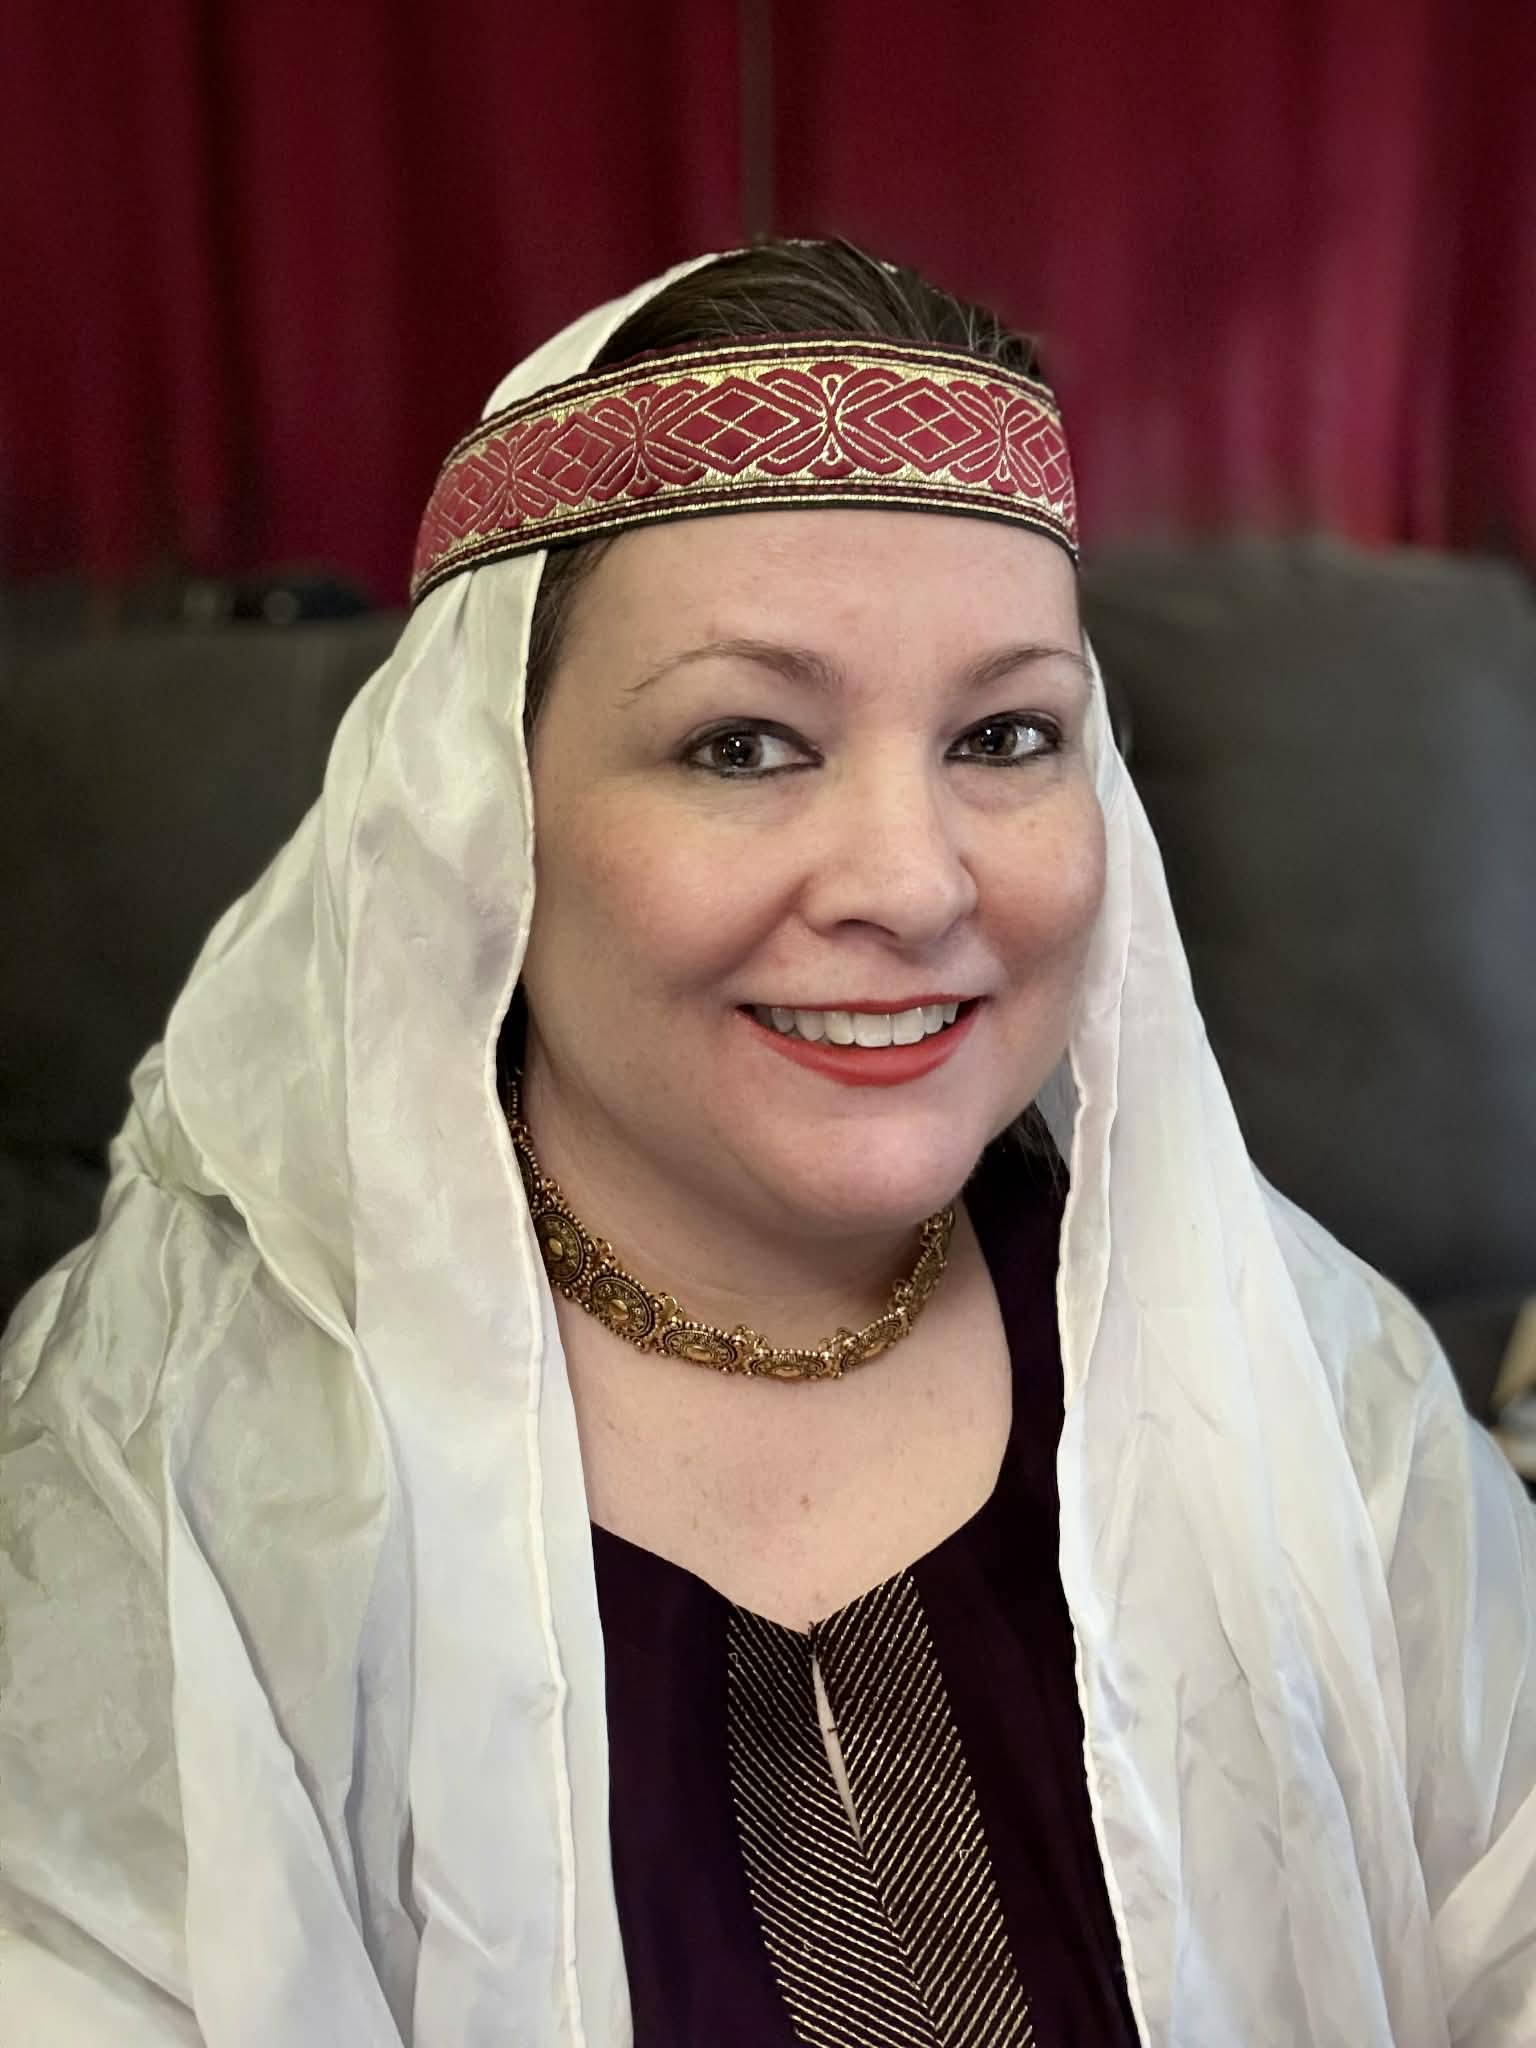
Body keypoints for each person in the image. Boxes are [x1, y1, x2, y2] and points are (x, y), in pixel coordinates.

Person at [1, 239, 1533, 2048]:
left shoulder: (1324, 1392)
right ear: (480, 820)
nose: (913, 882)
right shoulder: (174, 1460)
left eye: (1006, 735)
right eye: (743, 745)